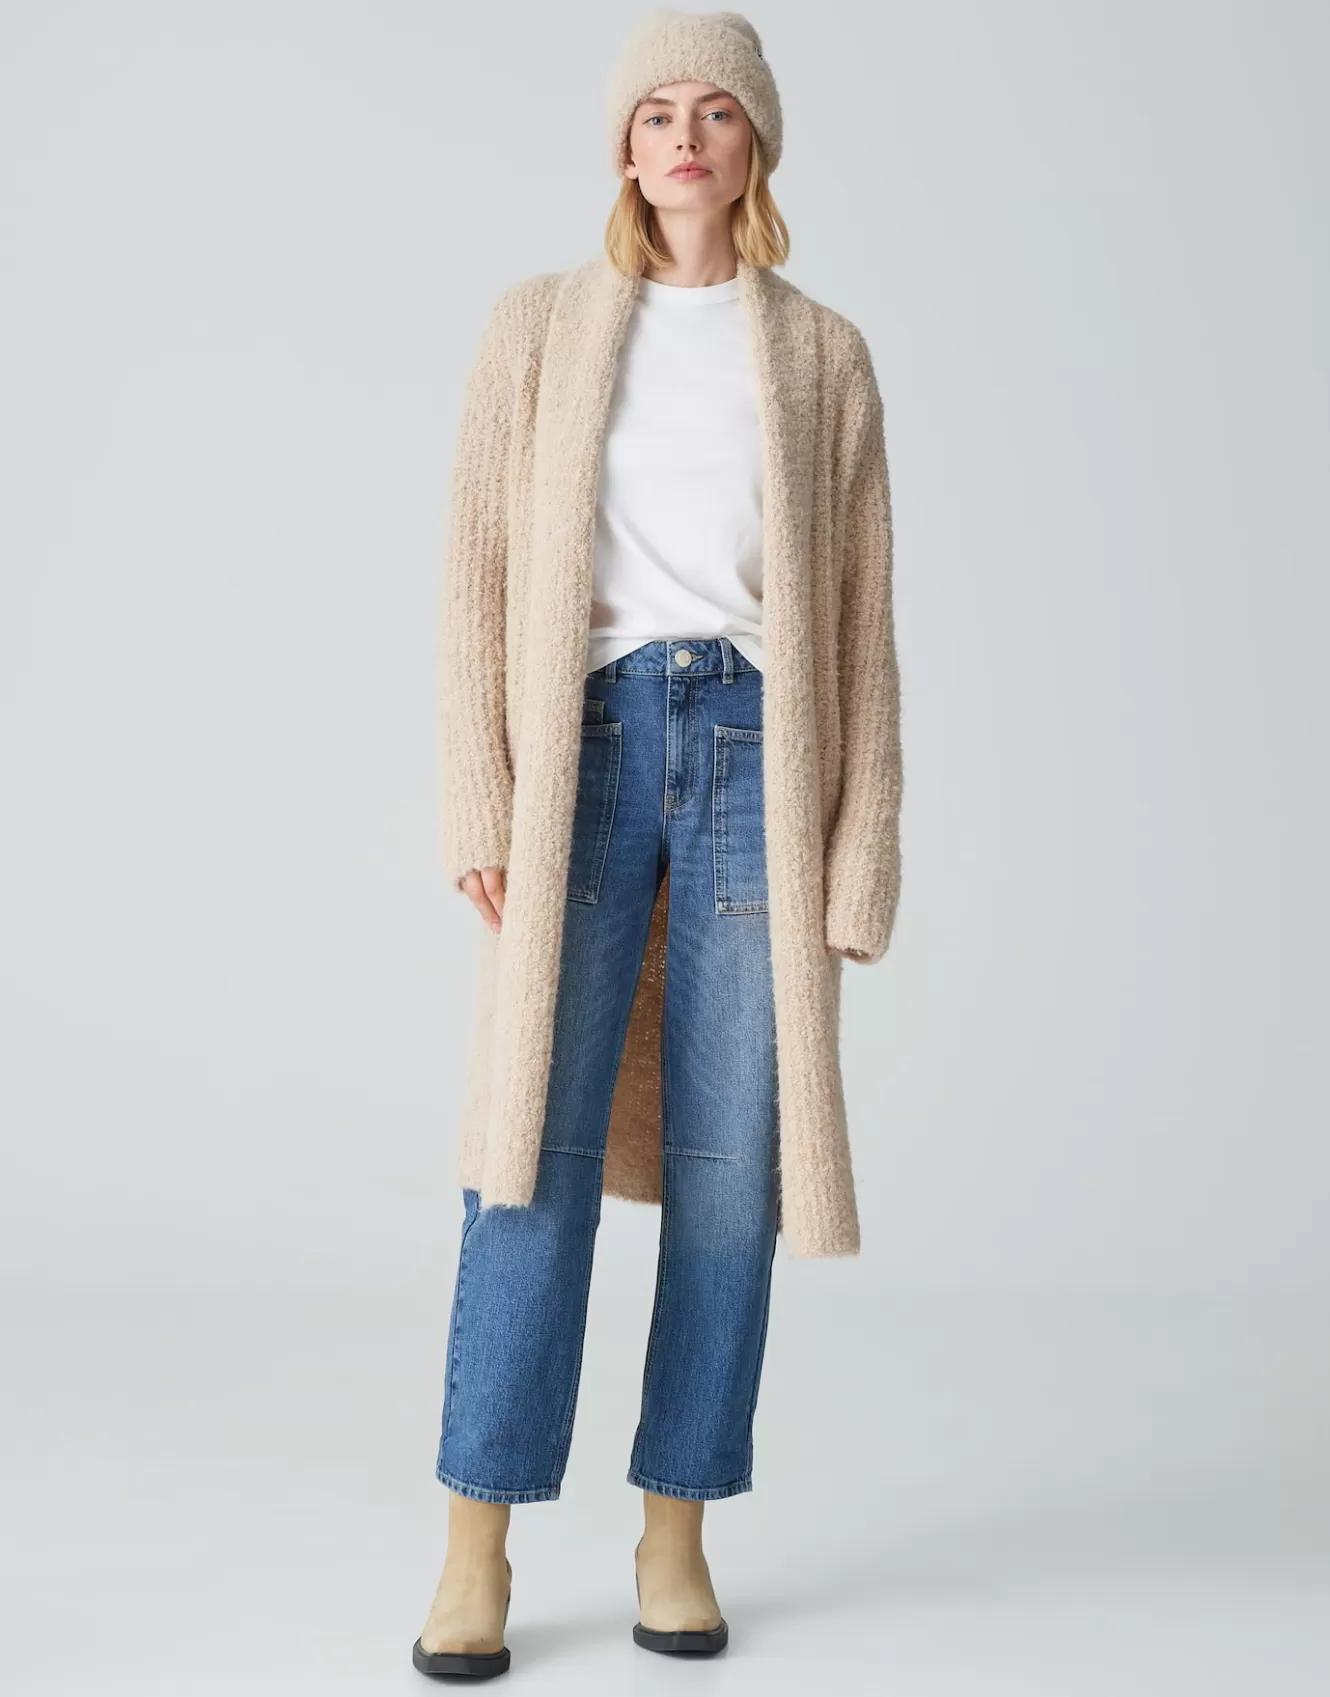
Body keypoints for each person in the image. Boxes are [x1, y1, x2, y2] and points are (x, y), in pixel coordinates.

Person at [414, 8, 903, 1679]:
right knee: (525, 1157)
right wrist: (479, 800)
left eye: (715, 113)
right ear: (622, 149)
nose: (683, 138)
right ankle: (475, 1543)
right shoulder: (536, 327)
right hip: (589, 750)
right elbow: (475, 574)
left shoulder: (824, 356)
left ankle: (675, 1531)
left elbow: (860, 623)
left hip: (761, 755)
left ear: (755, 144)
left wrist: (860, 850)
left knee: (729, 1168)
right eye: (655, 114)